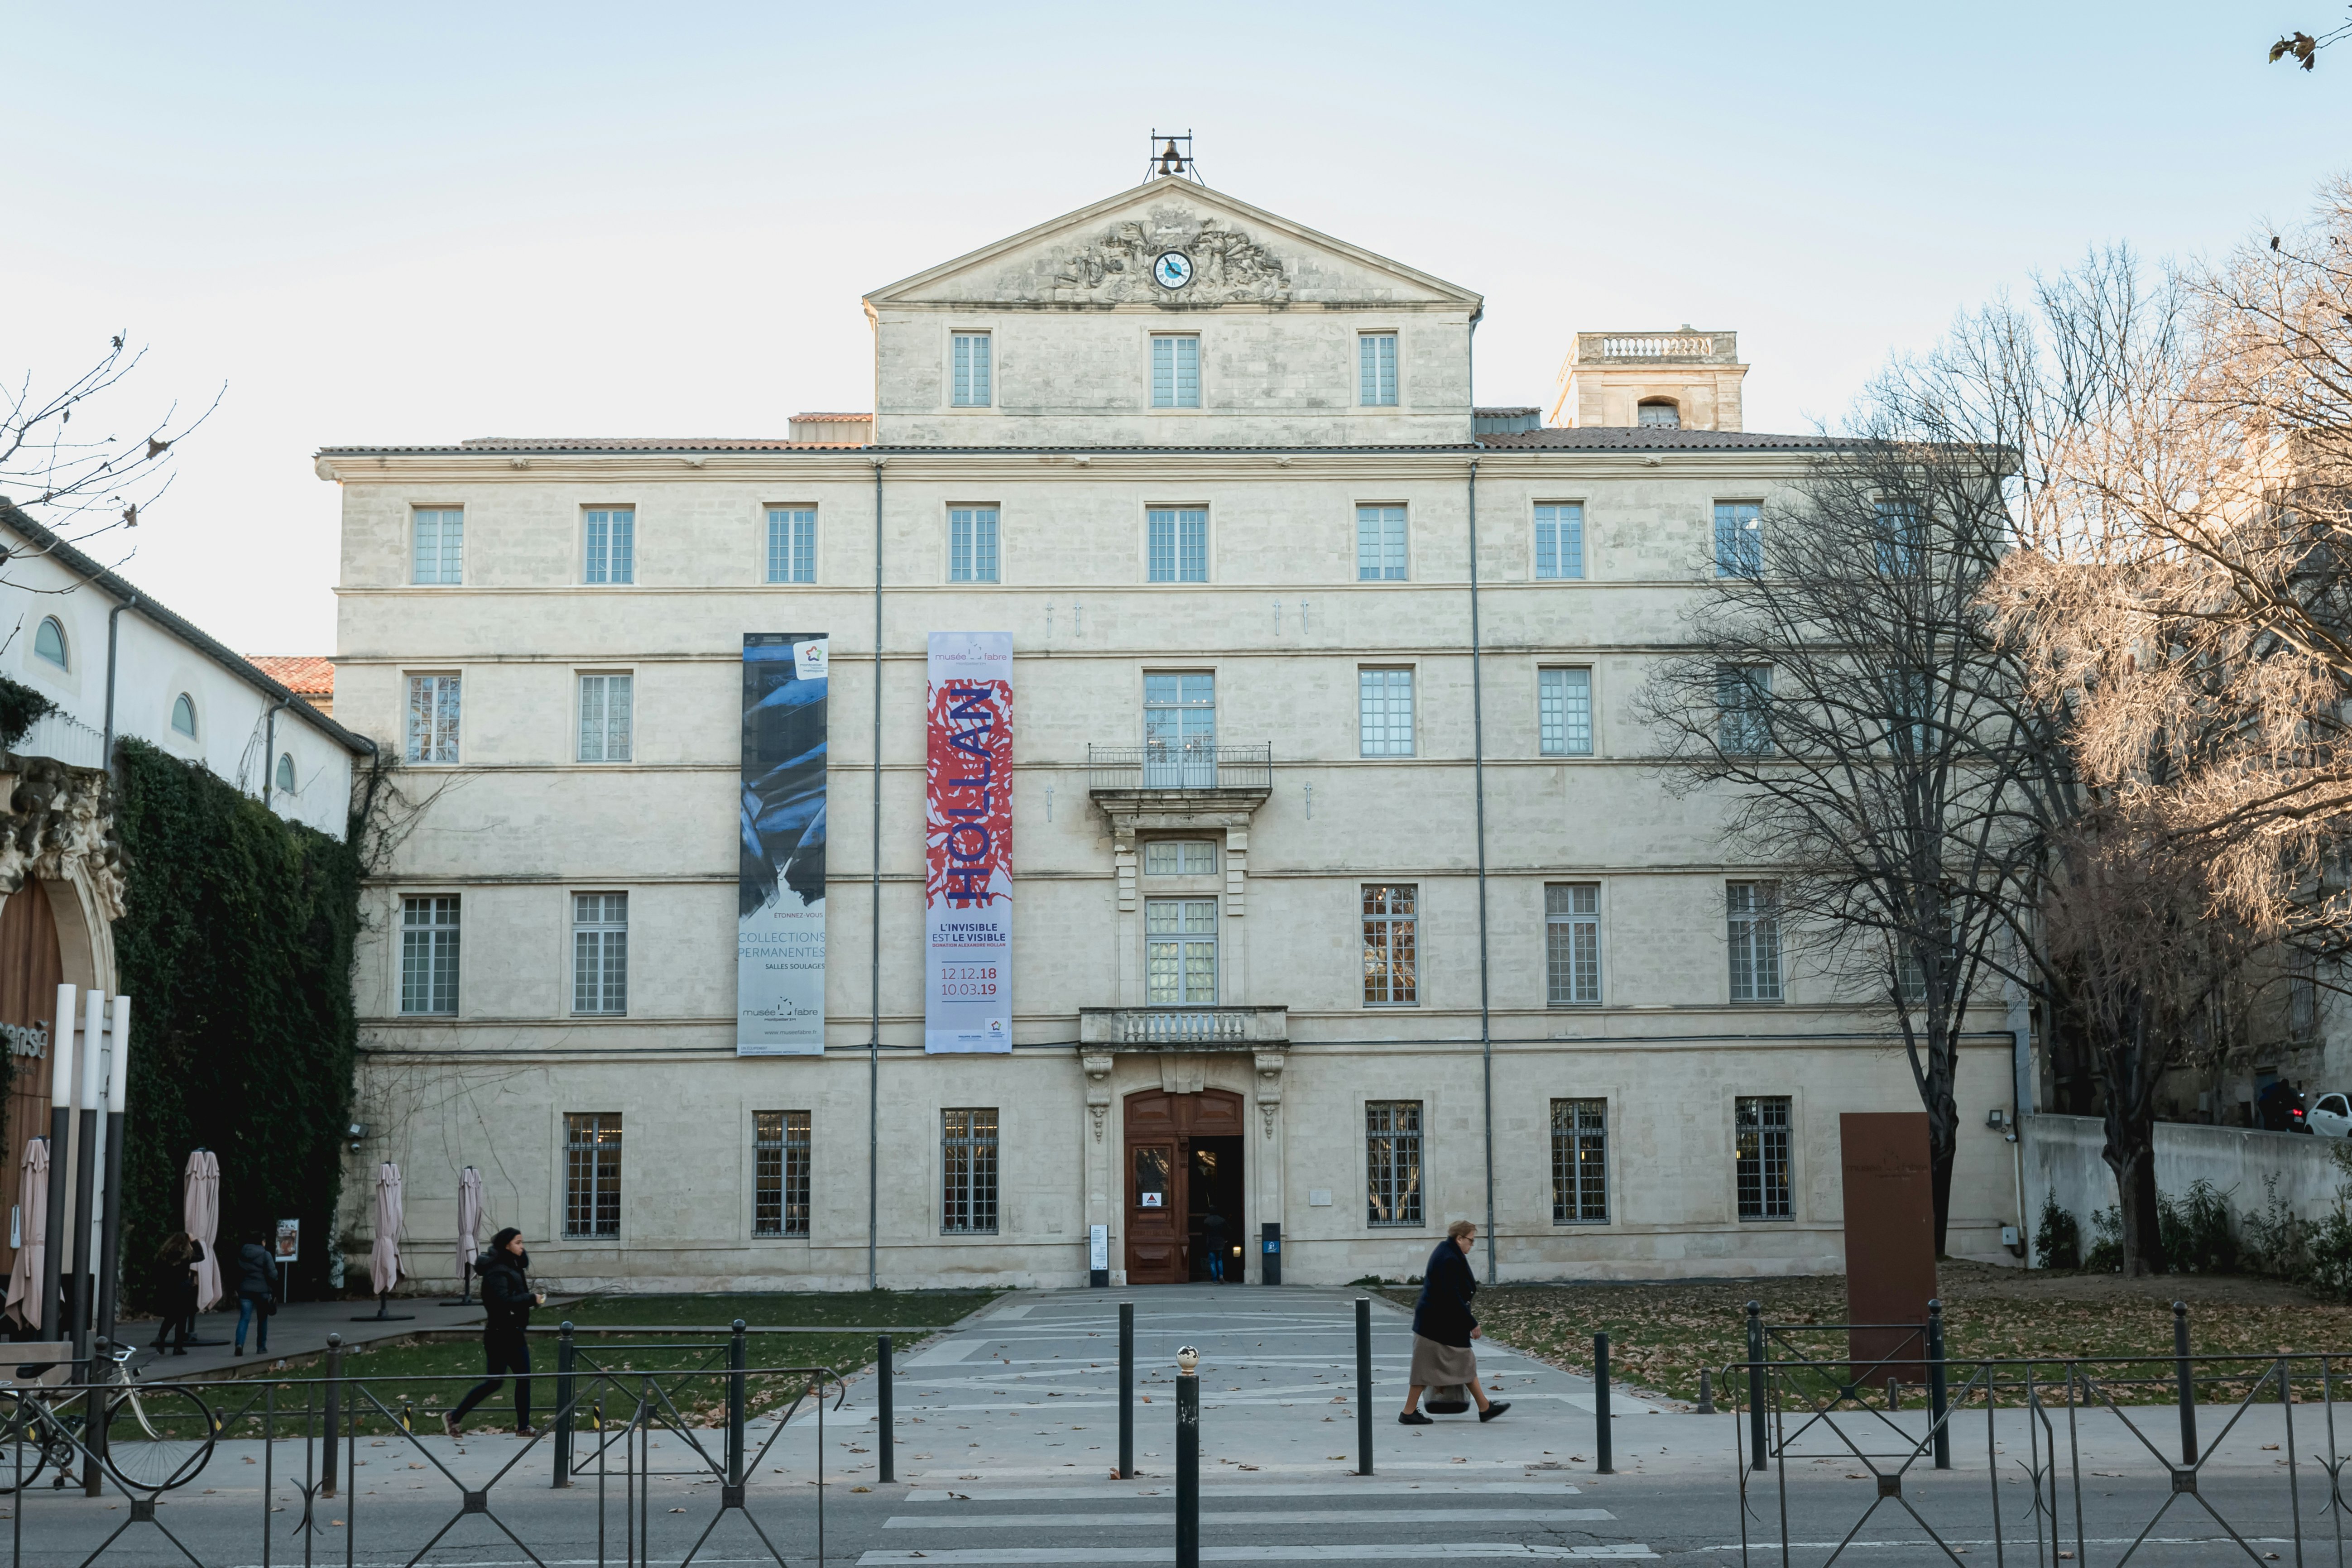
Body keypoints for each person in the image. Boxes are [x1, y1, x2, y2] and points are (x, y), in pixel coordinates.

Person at [1399, 1219, 1508, 1424]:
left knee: (1465, 1363)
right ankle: (1408, 1412)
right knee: (1425, 1371)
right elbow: (1451, 1295)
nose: (1472, 1245)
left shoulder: (1449, 1252)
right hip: (1436, 1326)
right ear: (1460, 1239)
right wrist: (1471, 1323)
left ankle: (1485, 1407)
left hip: (1441, 1324)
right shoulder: (1448, 1257)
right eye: (1471, 1241)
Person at [444, 1228, 545, 1438]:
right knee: (498, 1381)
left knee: (518, 1379)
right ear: (507, 1245)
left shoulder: (512, 1266)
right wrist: (530, 1299)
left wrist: (530, 1300)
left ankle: (522, 1427)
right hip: (501, 1334)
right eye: (518, 1243)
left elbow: (514, 1295)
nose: (522, 1246)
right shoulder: (498, 1271)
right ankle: (455, 1417)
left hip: (511, 1332)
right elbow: (502, 1301)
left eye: (522, 1242)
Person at [149, 1233, 202, 1355]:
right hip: (183, 1289)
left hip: (167, 1289)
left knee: (171, 1316)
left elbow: (156, 1273)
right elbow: (201, 1256)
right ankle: (178, 1347)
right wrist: (194, 1241)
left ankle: (161, 1337)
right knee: (182, 1318)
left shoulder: (163, 1256)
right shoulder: (186, 1256)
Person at [234, 1228, 275, 1357]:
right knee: (262, 1319)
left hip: (245, 1290)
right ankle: (261, 1347)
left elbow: (236, 1272)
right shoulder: (265, 1255)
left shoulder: (242, 1253)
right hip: (262, 1291)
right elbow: (273, 1274)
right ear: (262, 1242)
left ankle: (239, 1344)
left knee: (244, 1318)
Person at [1201, 1209, 1228, 1283]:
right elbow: (1228, 1230)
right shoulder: (1222, 1220)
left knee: (1212, 1261)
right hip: (1220, 1243)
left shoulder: (1207, 1221)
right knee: (1219, 1259)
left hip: (1211, 1243)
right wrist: (1226, 1239)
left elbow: (1204, 1233)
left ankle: (1215, 1279)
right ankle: (1221, 1276)